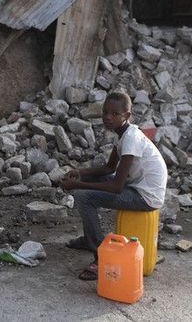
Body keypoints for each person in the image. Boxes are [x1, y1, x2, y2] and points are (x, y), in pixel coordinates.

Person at [60, 92, 168, 280]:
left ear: (126, 116)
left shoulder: (131, 139)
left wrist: (77, 184)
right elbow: (109, 168)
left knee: (84, 197)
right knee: (89, 186)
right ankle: (90, 239)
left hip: (146, 197)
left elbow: (116, 186)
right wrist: (80, 172)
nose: (108, 117)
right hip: (136, 186)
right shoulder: (124, 134)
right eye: (105, 112)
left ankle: (100, 258)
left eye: (115, 114)